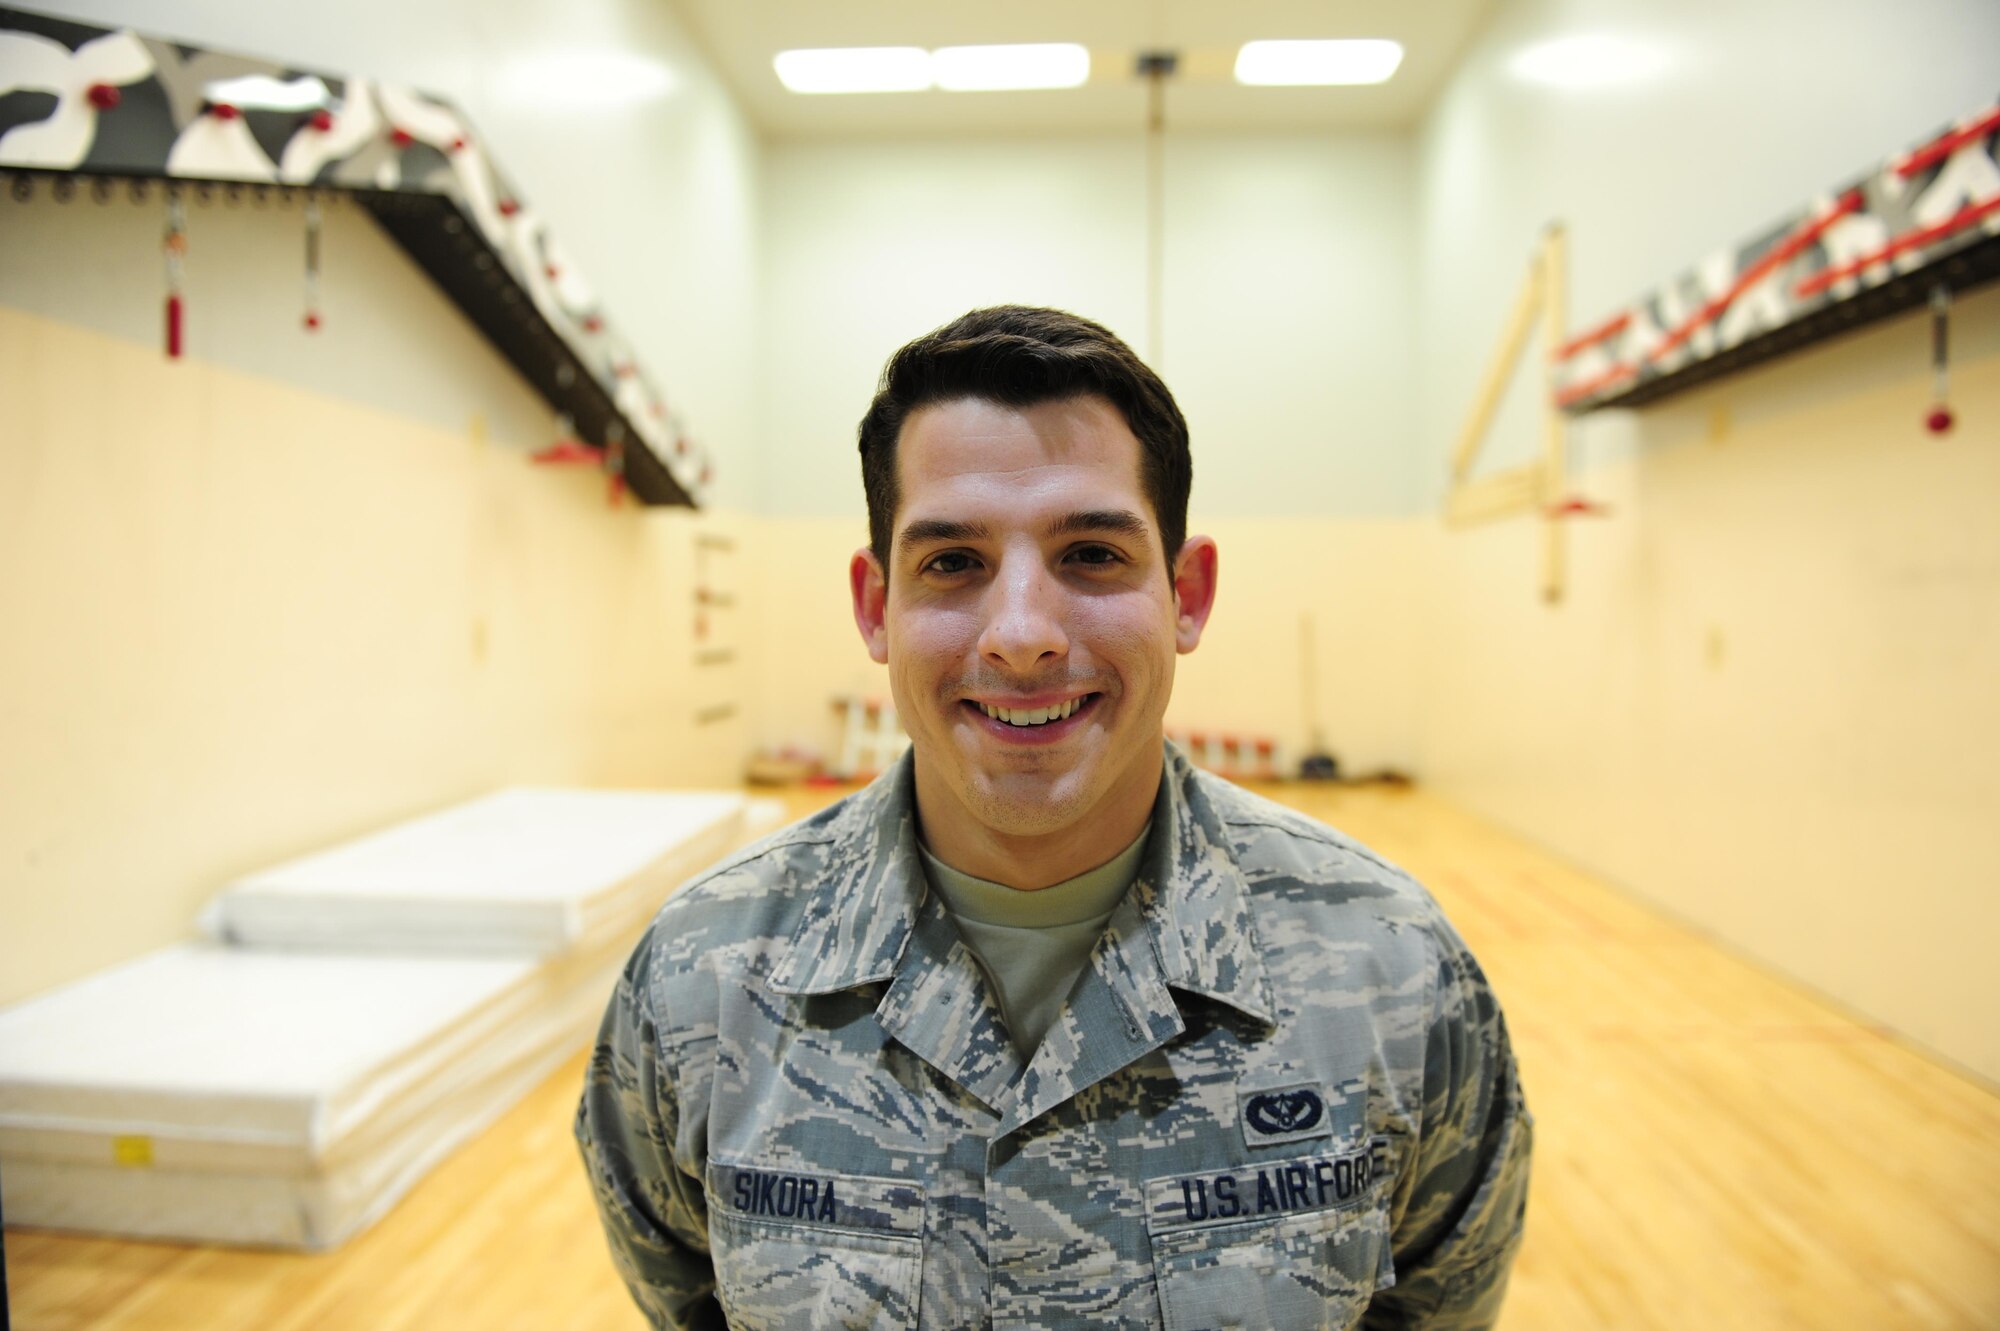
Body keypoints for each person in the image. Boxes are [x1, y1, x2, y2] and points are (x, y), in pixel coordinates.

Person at [576, 306, 1532, 1330]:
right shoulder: (700, 978)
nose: (1023, 634)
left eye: (1089, 554)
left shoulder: (1389, 967)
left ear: (1187, 593)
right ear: (872, 606)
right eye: (950, 562)